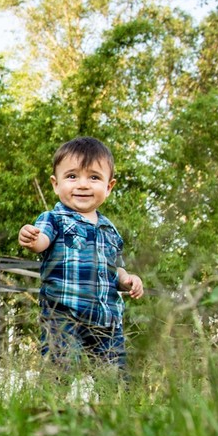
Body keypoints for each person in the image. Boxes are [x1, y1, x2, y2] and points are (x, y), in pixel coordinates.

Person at [18, 137, 143, 368]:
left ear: (109, 187)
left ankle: (112, 404)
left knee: (114, 377)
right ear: (56, 184)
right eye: (72, 176)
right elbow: (42, 241)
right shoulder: (53, 219)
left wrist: (126, 280)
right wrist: (31, 238)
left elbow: (115, 268)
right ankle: (52, 404)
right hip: (63, 313)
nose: (83, 185)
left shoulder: (110, 230)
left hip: (106, 320)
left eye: (94, 177)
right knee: (60, 368)